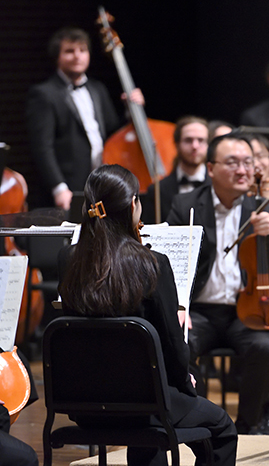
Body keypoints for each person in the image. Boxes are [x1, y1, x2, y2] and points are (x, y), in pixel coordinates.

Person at [57, 164, 237, 466]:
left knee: (153, 420)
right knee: (221, 428)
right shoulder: (152, 264)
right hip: (146, 403)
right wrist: (184, 380)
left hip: (83, 404)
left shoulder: (69, 260)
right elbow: (170, 342)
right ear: (132, 205)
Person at [166, 132, 269, 435]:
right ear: (210, 168)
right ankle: (201, 421)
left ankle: (248, 424)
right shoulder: (186, 205)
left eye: (248, 162)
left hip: (246, 311)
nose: (243, 170)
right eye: (232, 163)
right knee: (177, 343)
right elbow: (170, 263)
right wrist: (179, 305)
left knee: (268, 346)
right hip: (199, 312)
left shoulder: (267, 209)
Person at [25, 27, 145, 210]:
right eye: (69, 51)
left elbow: (113, 133)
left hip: (99, 184)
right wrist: (59, 187)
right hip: (69, 188)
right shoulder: (43, 94)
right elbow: (42, 147)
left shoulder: (98, 89)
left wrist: (131, 110)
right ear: (57, 57)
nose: (77, 56)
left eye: (82, 50)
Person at [141, 116, 210, 223]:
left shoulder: (219, 187)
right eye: (188, 140)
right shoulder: (157, 191)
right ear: (176, 144)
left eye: (201, 140)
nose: (195, 146)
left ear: (208, 145)